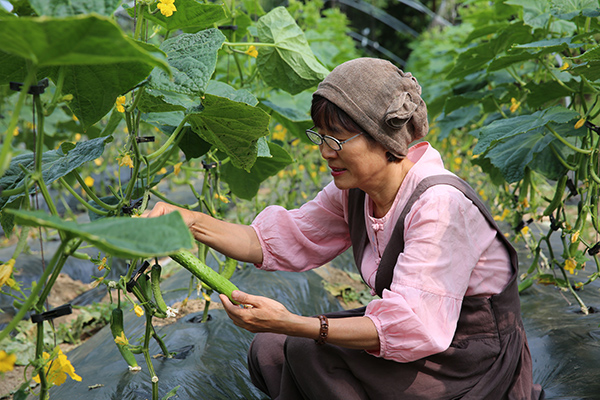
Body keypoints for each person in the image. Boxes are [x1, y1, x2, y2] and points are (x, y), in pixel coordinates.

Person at [144, 58, 543, 399]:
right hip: (418, 341)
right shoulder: (356, 191)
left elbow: (417, 326)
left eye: (337, 139)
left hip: (469, 357)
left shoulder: (440, 204)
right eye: (321, 136)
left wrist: (295, 324)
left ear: (384, 138)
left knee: (304, 350)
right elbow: (277, 239)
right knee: (268, 349)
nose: (324, 151)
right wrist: (190, 222)